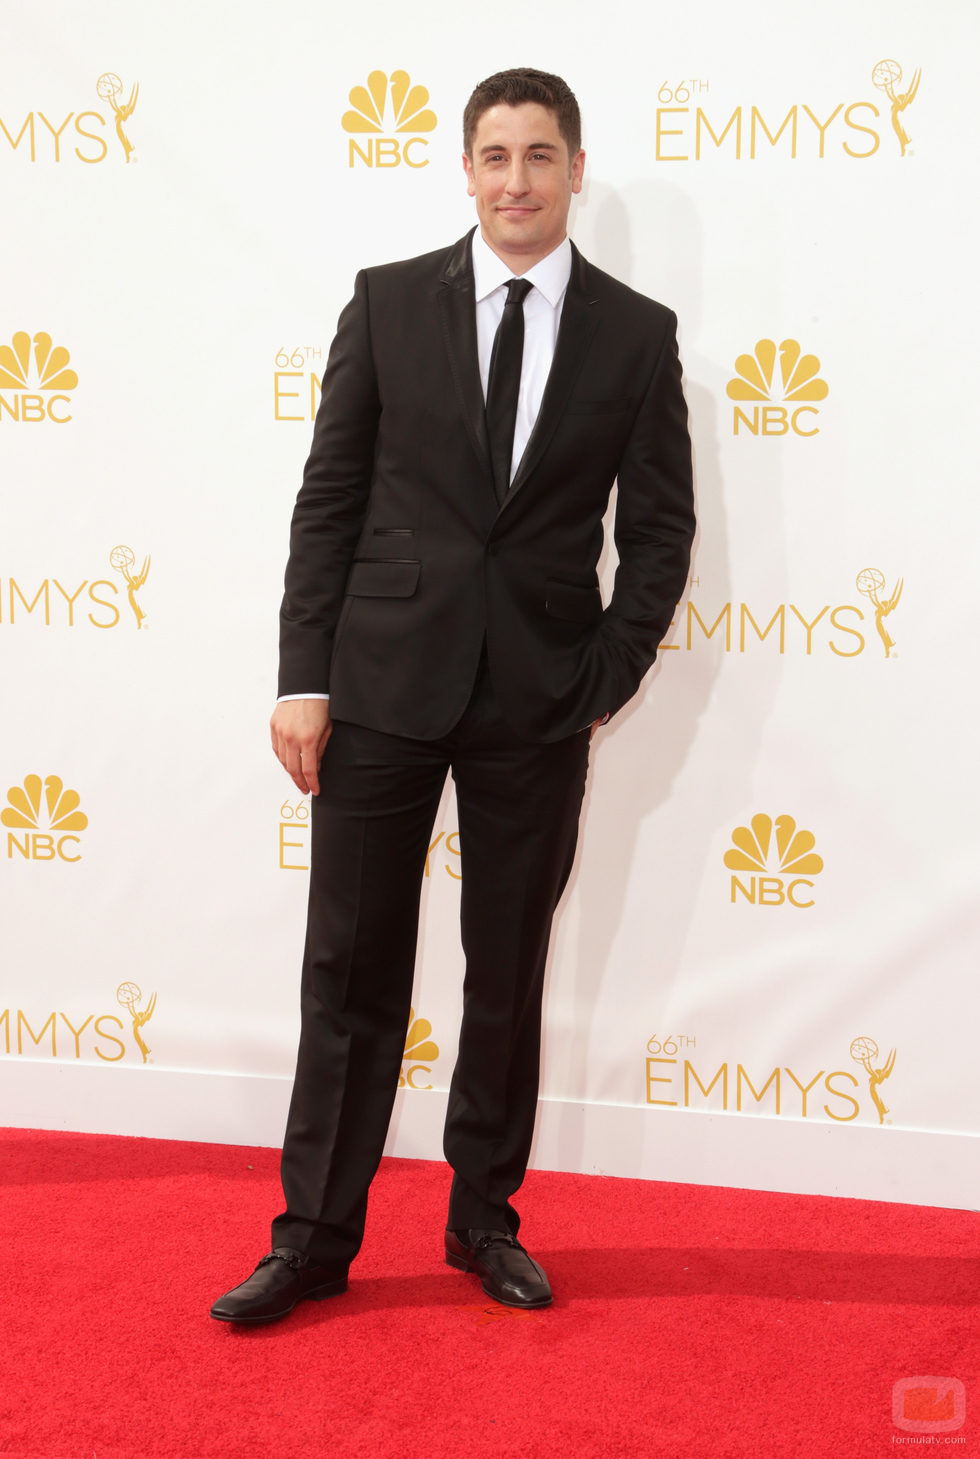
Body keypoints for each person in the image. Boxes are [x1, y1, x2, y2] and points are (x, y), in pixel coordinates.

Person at [211, 67, 695, 1325]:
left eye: (540, 156)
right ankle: (313, 1236)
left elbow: (657, 533)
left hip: (537, 701)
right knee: (350, 973)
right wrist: (303, 676)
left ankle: (483, 1221)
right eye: (494, 155)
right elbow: (328, 501)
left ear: (574, 171)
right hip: (374, 691)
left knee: (504, 974)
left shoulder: (634, 334)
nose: (516, 180)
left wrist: (603, 676)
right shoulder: (384, 306)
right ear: (465, 168)